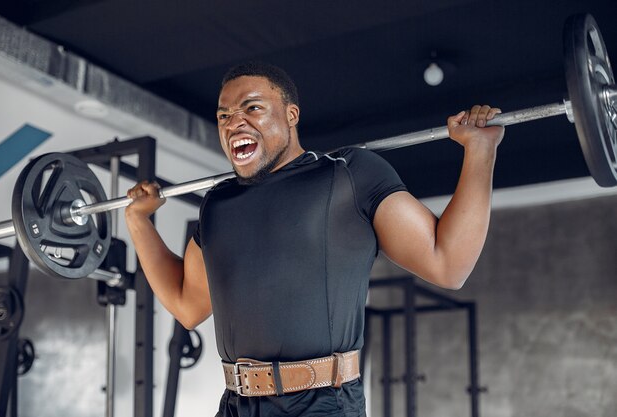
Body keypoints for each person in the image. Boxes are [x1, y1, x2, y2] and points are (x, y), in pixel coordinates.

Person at [125, 61, 504, 417]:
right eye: (224, 116)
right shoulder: (218, 205)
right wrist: (138, 220)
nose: (233, 123)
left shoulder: (349, 175)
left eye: (252, 108)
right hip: (236, 404)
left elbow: (448, 263)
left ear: (291, 115)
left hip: (322, 403)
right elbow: (186, 305)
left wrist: (480, 150)